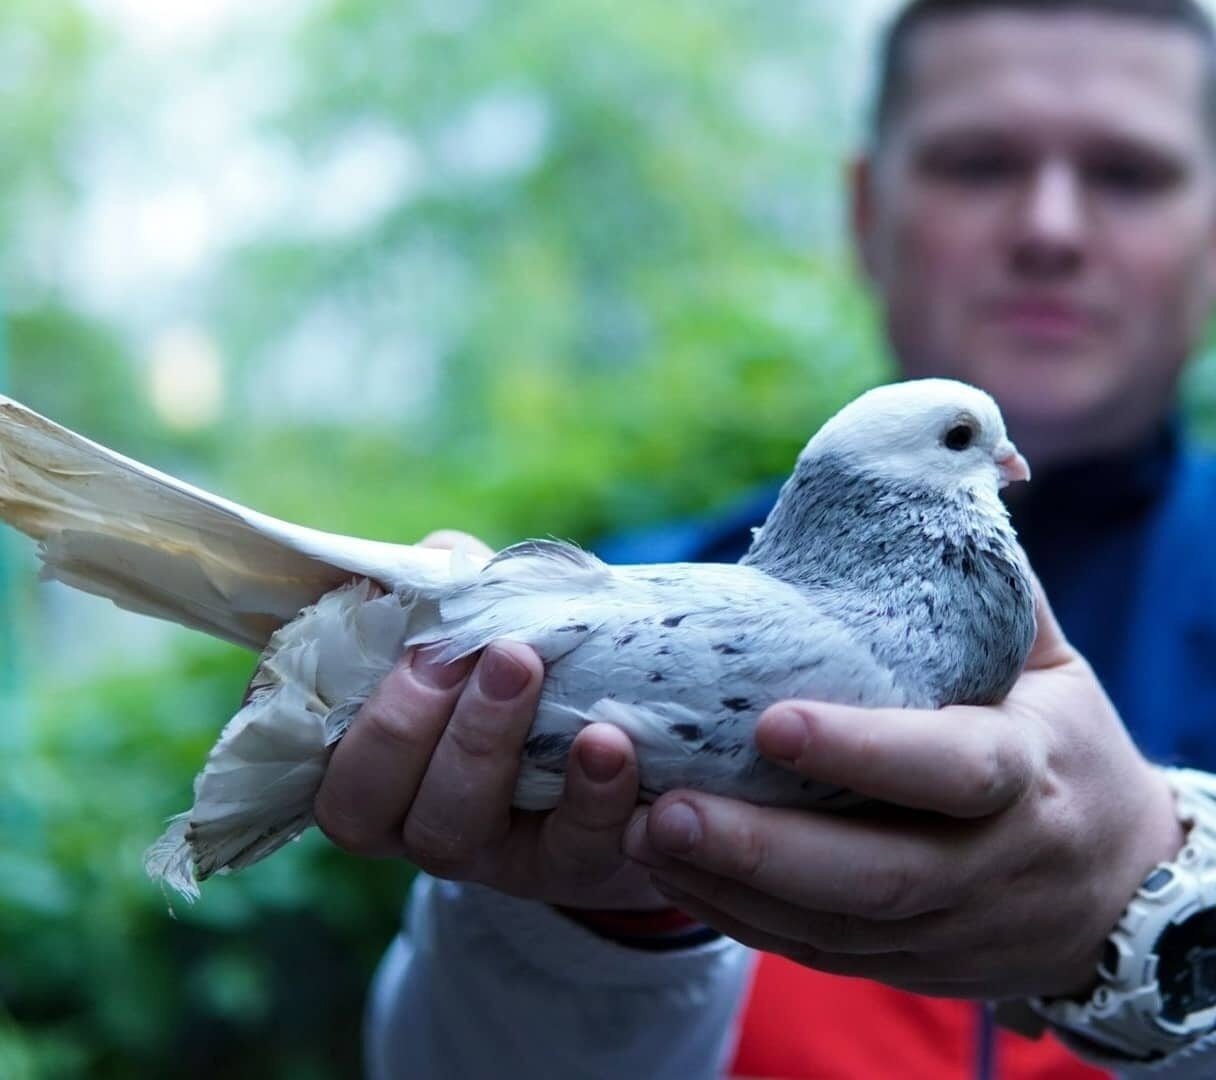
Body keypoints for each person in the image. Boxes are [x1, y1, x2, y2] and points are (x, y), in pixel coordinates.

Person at [314, 1, 1216, 1076]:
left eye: (1128, 174)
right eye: (978, 164)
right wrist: (592, 917)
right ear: (866, 210)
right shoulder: (629, 596)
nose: (1049, 229)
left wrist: (1159, 900)